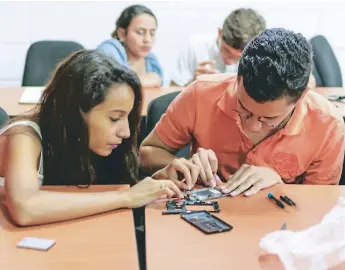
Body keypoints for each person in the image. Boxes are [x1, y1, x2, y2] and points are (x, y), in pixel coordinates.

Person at [0, 50, 199, 226]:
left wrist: (154, 183)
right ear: (75, 112)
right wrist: (125, 197)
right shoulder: (24, 136)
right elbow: (25, 208)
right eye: (114, 118)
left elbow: (89, 193)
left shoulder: (91, 141)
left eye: (127, 117)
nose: (126, 132)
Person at [140, 28, 345, 196]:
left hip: (279, 230)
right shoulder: (200, 94)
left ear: (300, 97)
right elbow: (146, 154)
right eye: (244, 110)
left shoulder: (328, 126)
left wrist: (280, 184)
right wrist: (181, 165)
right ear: (237, 78)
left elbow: (319, 205)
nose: (252, 126)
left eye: (268, 119)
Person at [170, 8, 266, 87]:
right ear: (220, 33)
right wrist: (192, 84)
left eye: (238, 57)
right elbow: (170, 93)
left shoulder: (260, 57)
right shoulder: (195, 47)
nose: (230, 62)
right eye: (227, 50)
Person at [97, 5, 163, 88]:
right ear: (122, 33)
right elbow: (113, 85)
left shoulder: (151, 59)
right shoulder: (108, 49)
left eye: (152, 33)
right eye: (140, 32)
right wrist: (143, 81)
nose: (147, 39)